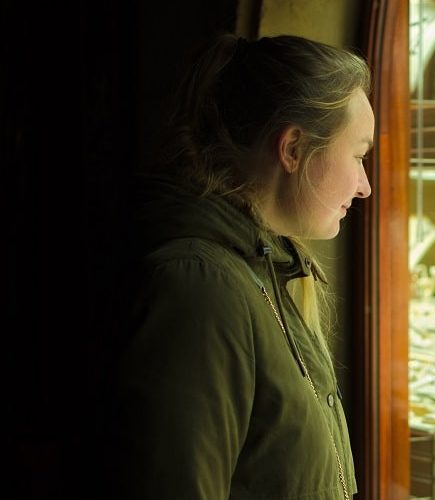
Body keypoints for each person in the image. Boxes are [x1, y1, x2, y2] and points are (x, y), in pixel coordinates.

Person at [108, 32, 372, 500]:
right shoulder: (200, 288)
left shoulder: (265, 270)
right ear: (292, 149)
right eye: (357, 155)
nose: (364, 185)